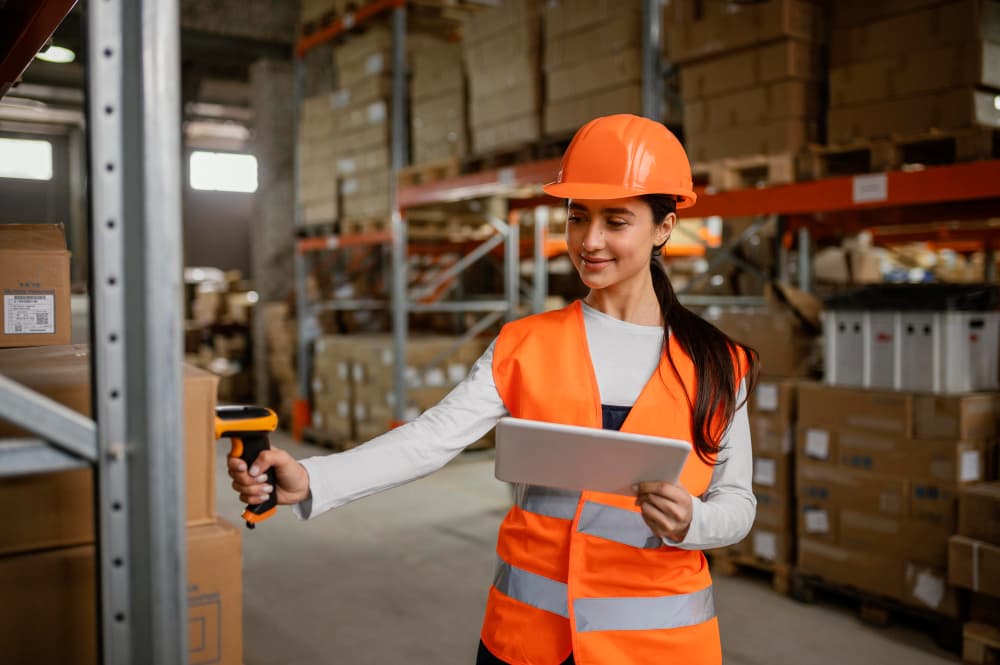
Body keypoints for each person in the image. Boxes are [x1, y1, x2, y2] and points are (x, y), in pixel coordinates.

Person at [228, 114, 760, 665]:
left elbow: (737, 502)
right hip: (527, 643)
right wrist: (313, 479)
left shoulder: (719, 364)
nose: (590, 241)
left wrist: (694, 523)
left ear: (664, 228)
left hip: (659, 650)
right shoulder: (525, 344)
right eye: (577, 217)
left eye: (616, 221)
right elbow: (430, 440)